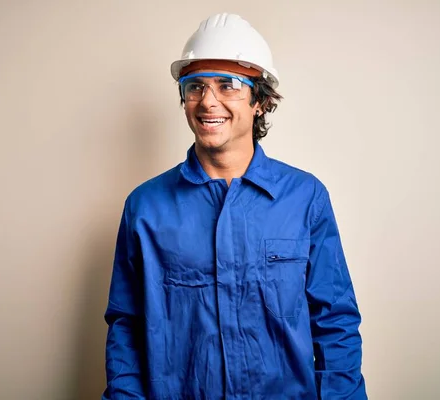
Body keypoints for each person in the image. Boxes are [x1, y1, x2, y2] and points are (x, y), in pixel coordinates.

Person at [103, 13, 367, 399]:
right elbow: (126, 327)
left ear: (258, 101)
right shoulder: (145, 208)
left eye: (228, 85)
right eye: (195, 86)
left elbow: (335, 322)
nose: (208, 101)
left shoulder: (305, 198)